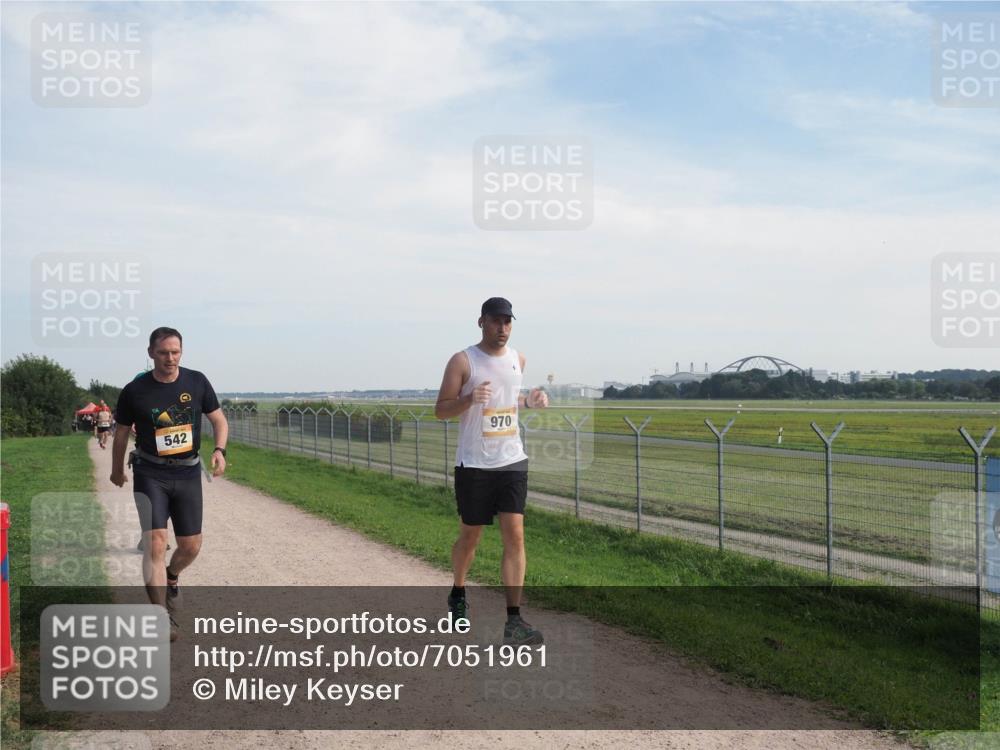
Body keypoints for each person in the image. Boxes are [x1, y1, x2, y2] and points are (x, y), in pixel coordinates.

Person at [434, 297, 549, 646]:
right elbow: (440, 409)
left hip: (511, 459)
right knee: (471, 536)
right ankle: (458, 592)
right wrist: (469, 399)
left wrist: (528, 403)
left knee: (515, 534)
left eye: (508, 322)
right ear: (481, 322)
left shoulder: (519, 360)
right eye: (496, 321)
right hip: (474, 463)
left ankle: (514, 621)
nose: (503, 328)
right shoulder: (463, 360)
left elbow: (505, 401)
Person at [109, 327, 229, 640]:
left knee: (190, 546)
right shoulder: (135, 390)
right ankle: (160, 615)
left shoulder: (197, 381)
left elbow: (218, 419)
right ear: (151, 354)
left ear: (181, 352)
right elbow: (121, 432)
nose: (170, 358)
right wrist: (116, 470)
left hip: (188, 473)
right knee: (156, 542)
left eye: (175, 352)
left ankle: (172, 577)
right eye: (163, 352)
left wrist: (219, 450)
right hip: (150, 472)